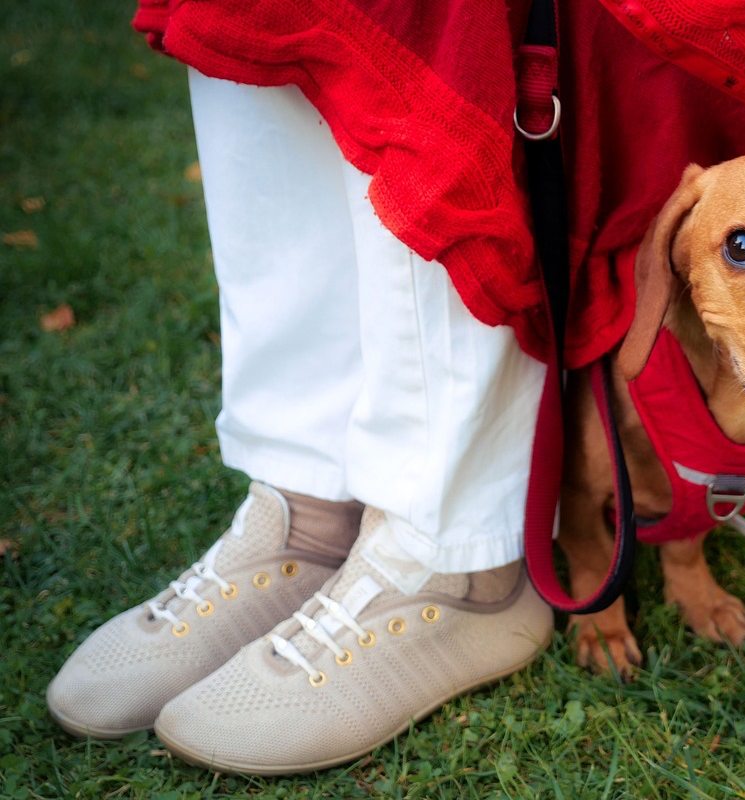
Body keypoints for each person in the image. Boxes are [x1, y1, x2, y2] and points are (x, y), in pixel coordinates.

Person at [45, 70, 552, 774]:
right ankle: (313, 508)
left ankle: (457, 558)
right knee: (265, 75)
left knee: (418, 78)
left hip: (461, 550)